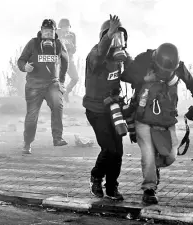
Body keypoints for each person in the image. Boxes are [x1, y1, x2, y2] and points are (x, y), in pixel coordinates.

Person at [121, 43, 193, 204]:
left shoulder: (179, 67)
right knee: (147, 152)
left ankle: (153, 167)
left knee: (170, 156)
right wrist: (146, 79)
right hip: (142, 117)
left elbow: (192, 84)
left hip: (166, 119)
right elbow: (125, 76)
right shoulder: (144, 59)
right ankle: (149, 188)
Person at [83, 15, 133, 200]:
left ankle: (112, 186)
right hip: (96, 110)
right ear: (104, 38)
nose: (117, 42)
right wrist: (109, 35)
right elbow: (99, 56)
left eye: (120, 38)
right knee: (109, 148)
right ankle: (96, 176)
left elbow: (132, 74)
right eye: (113, 38)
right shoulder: (95, 56)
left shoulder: (119, 59)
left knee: (118, 151)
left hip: (113, 109)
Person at [17, 19, 69, 154]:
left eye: (51, 31)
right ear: (41, 31)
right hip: (34, 85)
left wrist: (61, 81)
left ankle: (57, 138)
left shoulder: (58, 44)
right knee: (32, 115)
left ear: (54, 32)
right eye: (45, 30)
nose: (48, 33)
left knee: (58, 105)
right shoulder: (33, 43)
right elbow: (21, 60)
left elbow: (65, 60)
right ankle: (27, 143)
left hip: (52, 83)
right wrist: (24, 67)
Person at [57, 18, 79, 102]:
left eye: (67, 27)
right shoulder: (56, 34)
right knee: (58, 80)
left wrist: (71, 45)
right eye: (64, 27)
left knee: (75, 78)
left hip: (69, 60)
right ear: (60, 27)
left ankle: (66, 92)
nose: (66, 28)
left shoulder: (72, 35)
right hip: (59, 61)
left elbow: (74, 51)